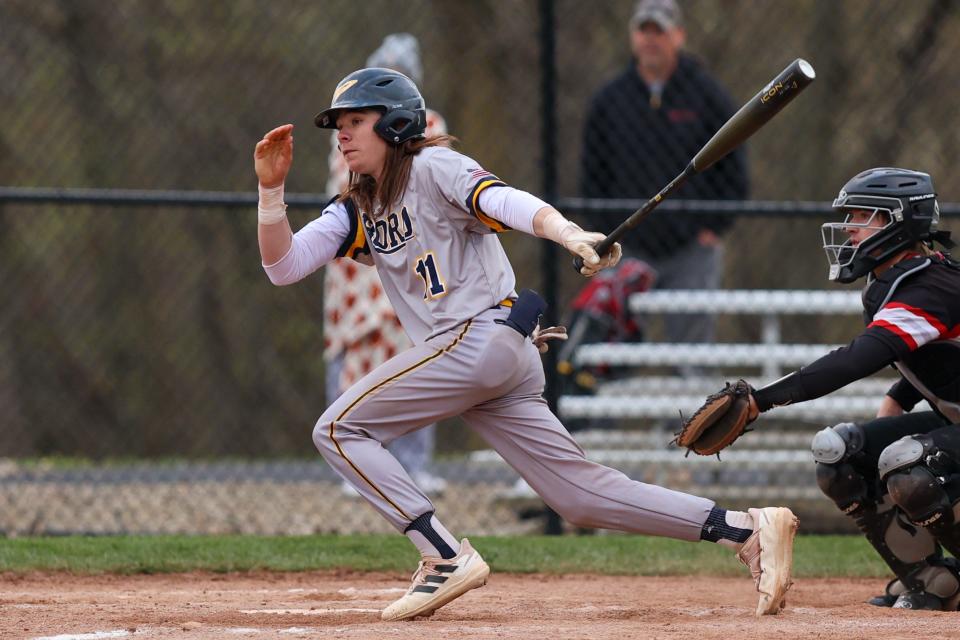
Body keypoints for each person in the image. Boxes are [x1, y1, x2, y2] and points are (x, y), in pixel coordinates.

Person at [254, 67, 796, 621]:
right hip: (493, 356)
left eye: (355, 121)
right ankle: (745, 529)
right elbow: (284, 265)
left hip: (480, 340)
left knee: (339, 428)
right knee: (578, 496)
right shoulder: (356, 208)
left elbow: (504, 200)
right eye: (338, 125)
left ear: (395, 124)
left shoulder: (432, 166)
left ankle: (443, 557)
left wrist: (566, 233)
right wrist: (271, 192)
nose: (341, 135)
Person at [720, 167, 959, 610]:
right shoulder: (896, 281)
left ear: (898, 223)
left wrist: (761, 401)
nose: (850, 226)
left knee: (909, 464)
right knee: (839, 452)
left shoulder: (931, 285)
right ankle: (932, 580)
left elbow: (856, 359)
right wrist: (900, 395)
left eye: (863, 215)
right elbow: (939, 350)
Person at [580, 0, 749, 351]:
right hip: (625, 246)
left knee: (691, 355)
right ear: (633, 37)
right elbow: (592, 175)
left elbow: (735, 171)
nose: (651, 40)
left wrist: (711, 229)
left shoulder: (707, 95)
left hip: (690, 248)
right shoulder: (611, 99)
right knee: (613, 348)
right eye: (644, 30)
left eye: (660, 31)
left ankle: (700, 408)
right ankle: (615, 405)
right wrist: (605, 232)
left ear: (679, 36)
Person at [324, 33, 448, 497]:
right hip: (361, 263)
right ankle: (354, 464)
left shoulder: (429, 123)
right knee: (354, 352)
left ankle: (414, 464)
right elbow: (351, 195)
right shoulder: (352, 133)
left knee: (418, 358)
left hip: (414, 259)